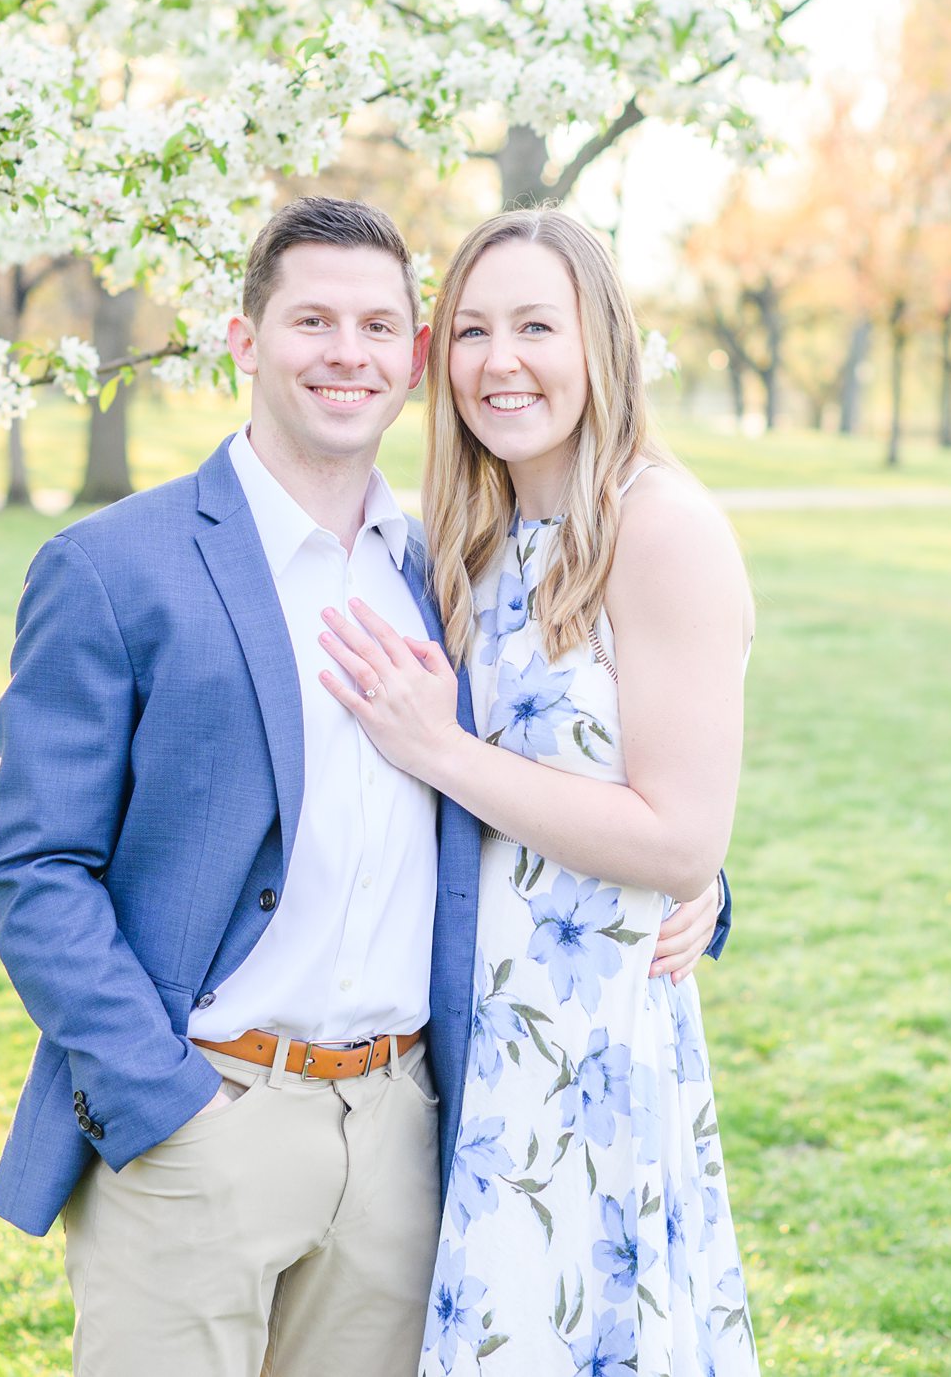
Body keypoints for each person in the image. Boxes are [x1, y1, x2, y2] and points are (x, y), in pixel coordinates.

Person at [0, 196, 729, 1376]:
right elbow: (36, 868)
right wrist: (168, 1104)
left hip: (409, 1131)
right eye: (312, 320)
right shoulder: (116, 569)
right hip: (205, 1114)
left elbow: (570, 761)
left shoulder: (443, 567)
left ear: (409, 359)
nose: (347, 352)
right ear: (243, 340)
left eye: (381, 325)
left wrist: (697, 882)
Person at [313, 209, 759, 1376]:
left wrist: (445, 751)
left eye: (534, 327)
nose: (499, 360)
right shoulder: (474, 534)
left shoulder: (657, 526)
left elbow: (677, 832)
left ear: (600, 343)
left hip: (590, 1051)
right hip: (471, 1045)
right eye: (470, 329)